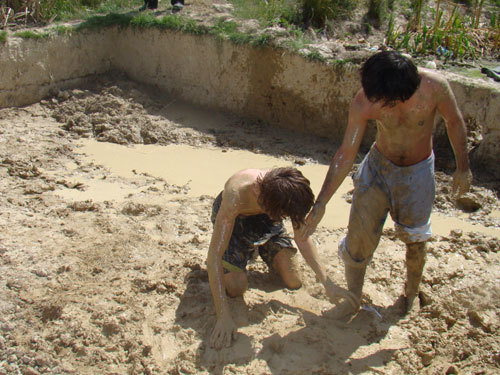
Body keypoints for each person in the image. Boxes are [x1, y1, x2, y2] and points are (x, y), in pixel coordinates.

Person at [298, 51, 472, 318]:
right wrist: (321, 202)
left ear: (400, 94)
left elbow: (455, 122)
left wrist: (463, 167)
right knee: (358, 239)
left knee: (415, 239)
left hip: (418, 173)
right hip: (378, 168)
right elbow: (346, 152)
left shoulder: (435, 88)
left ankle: (410, 296)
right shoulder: (365, 100)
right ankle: (352, 298)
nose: (376, 103)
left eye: (384, 102)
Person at [207, 167, 358, 349]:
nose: (288, 218)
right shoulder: (236, 193)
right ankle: (241, 255)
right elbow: (214, 254)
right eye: (284, 216)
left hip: (267, 217)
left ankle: (259, 248)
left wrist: (328, 284)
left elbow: (302, 238)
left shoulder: (290, 195)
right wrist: (223, 316)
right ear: (259, 193)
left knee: (293, 280)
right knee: (236, 288)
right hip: (236, 220)